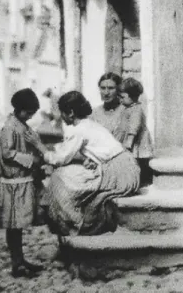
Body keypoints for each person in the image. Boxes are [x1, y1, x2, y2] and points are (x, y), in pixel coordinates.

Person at [25, 91, 141, 237]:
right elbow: (96, 151)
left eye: (62, 112)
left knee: (60, 177)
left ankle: (74, 223)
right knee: (70, 175)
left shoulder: (78, 130)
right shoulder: (89, 124)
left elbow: (60, 159)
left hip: (120, 173)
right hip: (127, 167)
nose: (61, 116)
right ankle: (71, 219)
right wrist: (90, 160)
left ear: (71, 113)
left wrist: (39, 145)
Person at [0, 88, 46, 278]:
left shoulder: (22, 125)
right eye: (28, 113)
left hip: (22, 181)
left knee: (18, 225)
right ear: (20, 109)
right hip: (13, 184)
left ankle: (21, 260)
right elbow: (7, 153)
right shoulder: (9, 127)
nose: (30, 116)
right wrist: (31, 160)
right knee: (13, 226)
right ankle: (16, 263)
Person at [117, 78, 154, 185]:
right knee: (133, 160)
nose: (120, 100)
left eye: (123, 97)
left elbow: (134, 125)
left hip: (137, 139)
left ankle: (143, 180)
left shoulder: (136, 109)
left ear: (132, 97)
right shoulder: (127, 108)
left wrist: (129, 140)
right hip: (131, 138)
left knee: (139, 160)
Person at [89, 72, 125, 142]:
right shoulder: (94, 114)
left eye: (111, 88)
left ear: (119, 90)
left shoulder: (127, 111)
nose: (106, 93)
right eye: (103, 88)